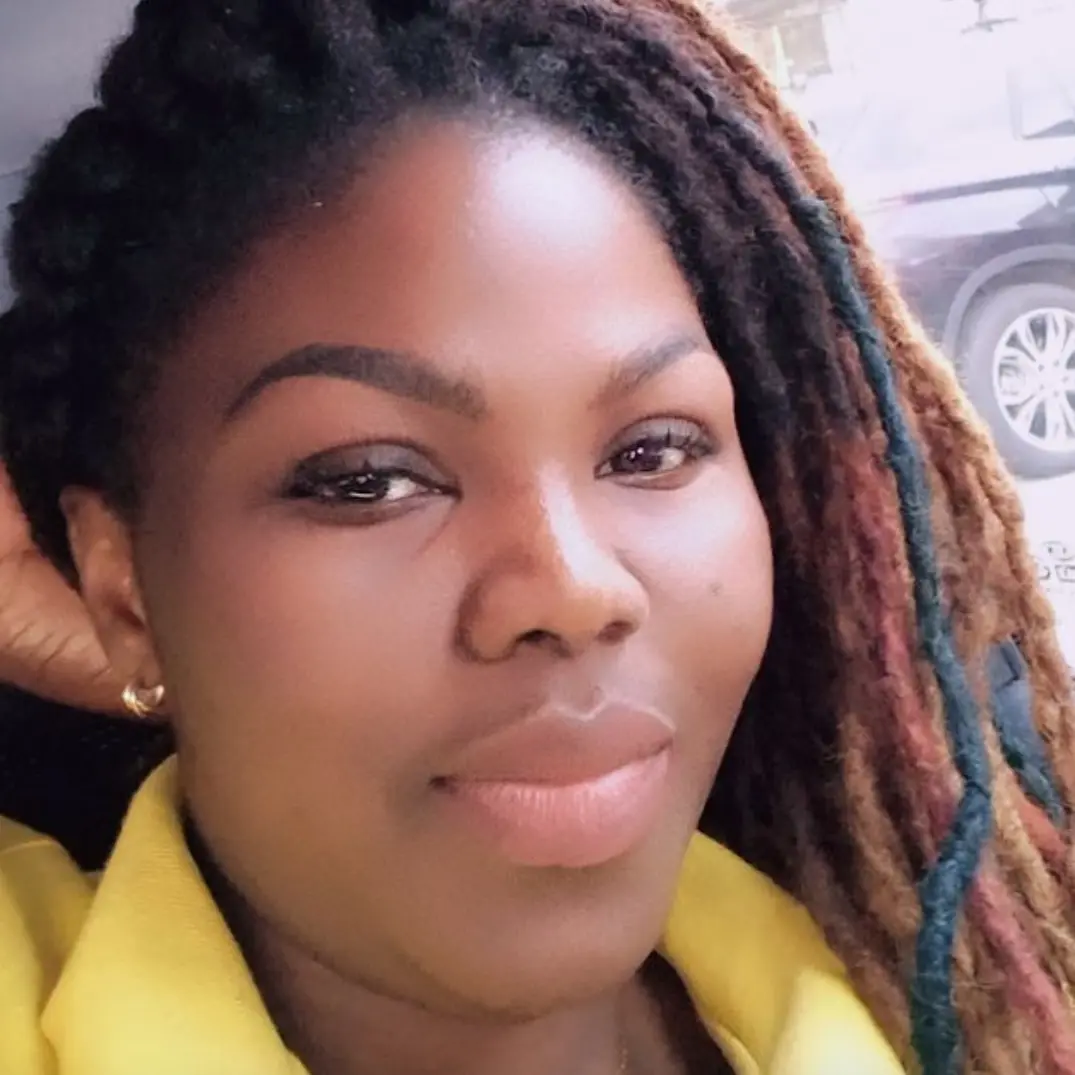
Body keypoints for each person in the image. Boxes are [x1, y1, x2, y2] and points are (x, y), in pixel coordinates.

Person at [0, 1, 1072, 1073]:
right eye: (368, 479)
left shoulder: (959, 969)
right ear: (122, 588)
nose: (571, 587)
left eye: (651, 449)